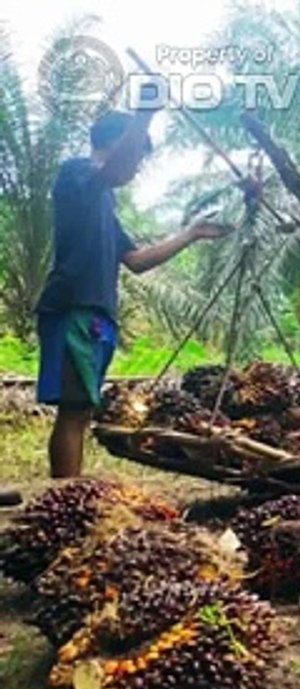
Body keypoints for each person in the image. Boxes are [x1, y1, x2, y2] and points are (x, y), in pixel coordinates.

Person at [36, 108, 233, 478]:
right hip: (74, 308)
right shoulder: (77, 173)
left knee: (80, 409)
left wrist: (190, 234)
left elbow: (137, 261)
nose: (138, 165)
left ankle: (70, 488)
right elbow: (117, 170)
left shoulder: (105, 206)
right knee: (73, 408)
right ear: (115, 142)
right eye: (139, 153)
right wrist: (145, 113)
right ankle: (65, 492)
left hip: (96, 317)